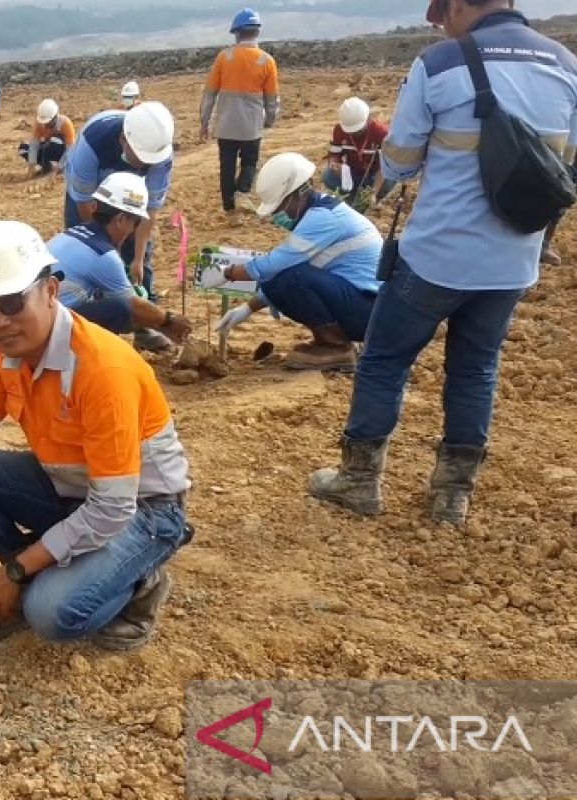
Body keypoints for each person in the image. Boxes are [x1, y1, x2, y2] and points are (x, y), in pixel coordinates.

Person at [309, 0, 577, 524]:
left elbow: (399, 162)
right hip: (512, 261)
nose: (440, 25)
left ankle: (361, 481)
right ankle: (452, 496)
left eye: (441, 15)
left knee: (386, 360)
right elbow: (565, 167)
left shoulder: (439, 63)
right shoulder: (566, 65)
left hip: (437, 257)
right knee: (476, 369)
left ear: (457, 6)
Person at [0, 221, 193, 651]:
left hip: (143, 509)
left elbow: (113, 507)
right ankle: (51, 573)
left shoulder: (103, 371)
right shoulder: (6, 351)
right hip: (74, 491)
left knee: (51, 614)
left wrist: (18, 570)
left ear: (51, 291)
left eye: (10, 302)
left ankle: (139, 583)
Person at [207, 152, 381, 372]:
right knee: (284, 278)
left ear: (299, 194)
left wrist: (228, 273)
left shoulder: (323, 218)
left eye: (281, 208)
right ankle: (330, 342)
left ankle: (336, 347)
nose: (280, 216)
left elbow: (276, 265)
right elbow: (282, 272)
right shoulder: (322, 212)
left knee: (290, 277)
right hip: (363, 306)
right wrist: (248, 308)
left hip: (368, 311)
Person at [63, 101, 176, 351]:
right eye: (139, 160)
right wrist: (106, 253)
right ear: (124, 140)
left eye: (147, 164)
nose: (141, 167)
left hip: (131, 200)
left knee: (140, 263)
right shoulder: (92, 144)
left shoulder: (160, 152)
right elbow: (85, 208)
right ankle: (92, 331)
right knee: (89, 255)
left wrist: (136, 257)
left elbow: (149, 211)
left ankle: (144, 329)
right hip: (91, 196)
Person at [48, 172, 191, 346]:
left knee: (106, 299)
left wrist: (162, 327)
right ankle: (86, 356)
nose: (132, 231)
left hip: (40, 315)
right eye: (135, 223)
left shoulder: (72, 234)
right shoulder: (103, 255)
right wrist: (170, 321)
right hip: (50, 327)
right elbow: (134, 306)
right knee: (119, 310)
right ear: (121, 219)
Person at [199, 8, 281, 213]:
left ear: (236, 33)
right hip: (251, 128)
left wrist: (204, 122)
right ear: (258, 32)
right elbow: (272, 99)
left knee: (226, 167)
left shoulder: (224, 58)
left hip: (225, 127)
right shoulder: (267, 61)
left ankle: (229, 208)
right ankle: (243, 192)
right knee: (250, 163)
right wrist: (270, 119)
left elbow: (209, 94)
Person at [324, 97, 394, 207]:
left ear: (367, 119)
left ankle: (375, 197)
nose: (354, 133)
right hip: (354, 174)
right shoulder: (339, 130)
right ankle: (351, 196)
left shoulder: (381, 133)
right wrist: (335, 165)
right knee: (329, 176)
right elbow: (334, 155)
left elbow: (385, 167)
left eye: (358, 130)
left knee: (390, 178)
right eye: (350, 131)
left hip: (376, 176)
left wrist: (373, 193)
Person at [19, 99, 75, 177]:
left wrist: (61, 166)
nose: (45, 124)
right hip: (46, 149)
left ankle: (55, 167)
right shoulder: (39, 123)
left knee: (54, 141)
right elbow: (34, 145)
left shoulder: (65, 123)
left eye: (48, 122)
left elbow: (70, 149)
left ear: (55, 116)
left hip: (60, 152)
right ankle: (48, 167)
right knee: (23, 149)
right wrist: (31, 167)